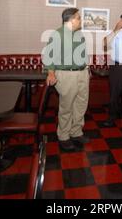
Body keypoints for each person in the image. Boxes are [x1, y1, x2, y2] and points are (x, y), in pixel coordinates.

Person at [43, 8, 90, 152]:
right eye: (78, 17)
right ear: (70, 20)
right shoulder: (57, 35)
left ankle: (76, 132)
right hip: (66, 75)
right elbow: (49, 57)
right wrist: (51, 73)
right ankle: (63, 136)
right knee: (67, 107)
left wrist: (87, 69)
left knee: (81, 105)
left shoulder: (79, 34)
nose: (80, 20)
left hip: (82, 73)